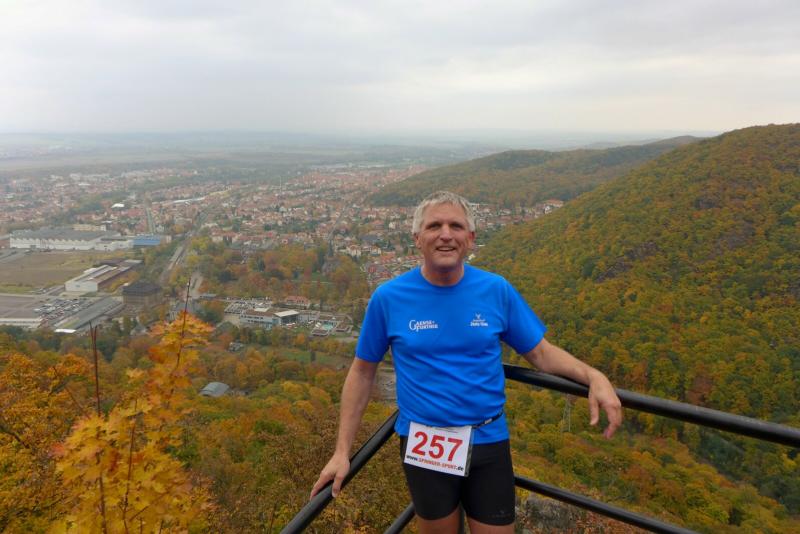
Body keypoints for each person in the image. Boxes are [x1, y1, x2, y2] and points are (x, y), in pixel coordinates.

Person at [310, 191, 622, 533]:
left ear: (470, 238)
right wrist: (342, 452)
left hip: (488, 438)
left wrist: (593, 376)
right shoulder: (388, 298)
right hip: (425, 445)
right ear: (417, 238)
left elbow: (542, 354)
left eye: (456, 226)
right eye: (434, 226)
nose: (446, 234)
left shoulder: (495, 290)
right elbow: (362, 373)